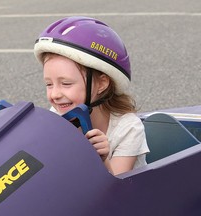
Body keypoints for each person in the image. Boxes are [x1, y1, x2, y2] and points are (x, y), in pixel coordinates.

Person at [34, 16, 149, 175]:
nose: (55, 94)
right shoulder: (56, 117)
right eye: (49, 84)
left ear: (102, 84)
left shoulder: (128, 128)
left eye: (66, 83)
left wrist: (103, 160)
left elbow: (118, 188)